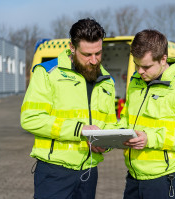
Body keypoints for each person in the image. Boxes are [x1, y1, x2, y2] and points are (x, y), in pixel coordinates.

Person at [20, 18, 117, 199]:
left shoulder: (107, 81)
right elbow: (30, 118)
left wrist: (107, 142)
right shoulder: (47, 73)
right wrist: (79, 130)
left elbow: (110, 124)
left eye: (98, 53)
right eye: (87, 55)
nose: (94, 60)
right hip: (54, 173)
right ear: (72, 47)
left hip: (89, 172)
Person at [119, 29, 175, 199]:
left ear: (163, 59)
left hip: (166, 182)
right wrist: (113, 135)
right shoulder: (135, 82)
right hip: (133, 179)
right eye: (136, 64)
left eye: (145, 66)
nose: (139, 71)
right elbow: (126, 119)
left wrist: (150, 138)